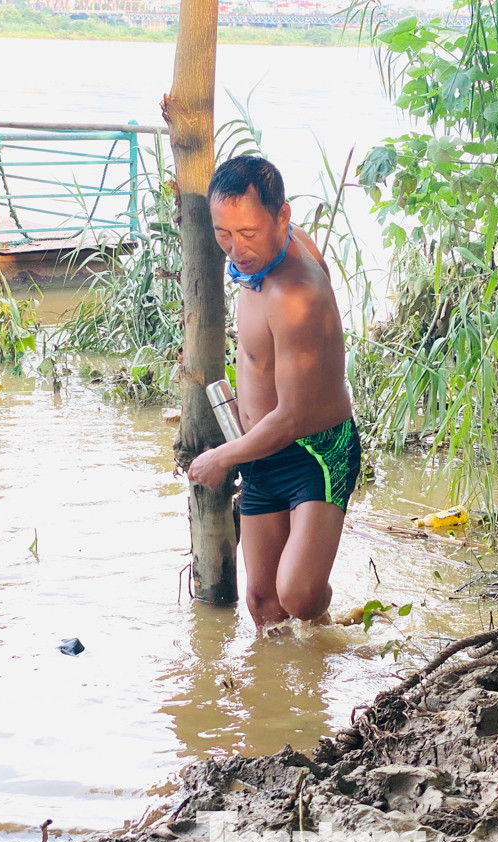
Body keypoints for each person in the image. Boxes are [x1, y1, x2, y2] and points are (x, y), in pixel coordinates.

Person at [186, 156, 360, 631]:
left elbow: (292, 419)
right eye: (224, 233)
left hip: (314, 451)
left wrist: (222, 457)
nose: (237, 249)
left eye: (248, 233)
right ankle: (287, 695)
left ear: (282, 217)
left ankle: (330, 619)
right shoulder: (262, 246)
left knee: (298, 596)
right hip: (262, 450)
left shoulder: (295, 296)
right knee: (264, 605)